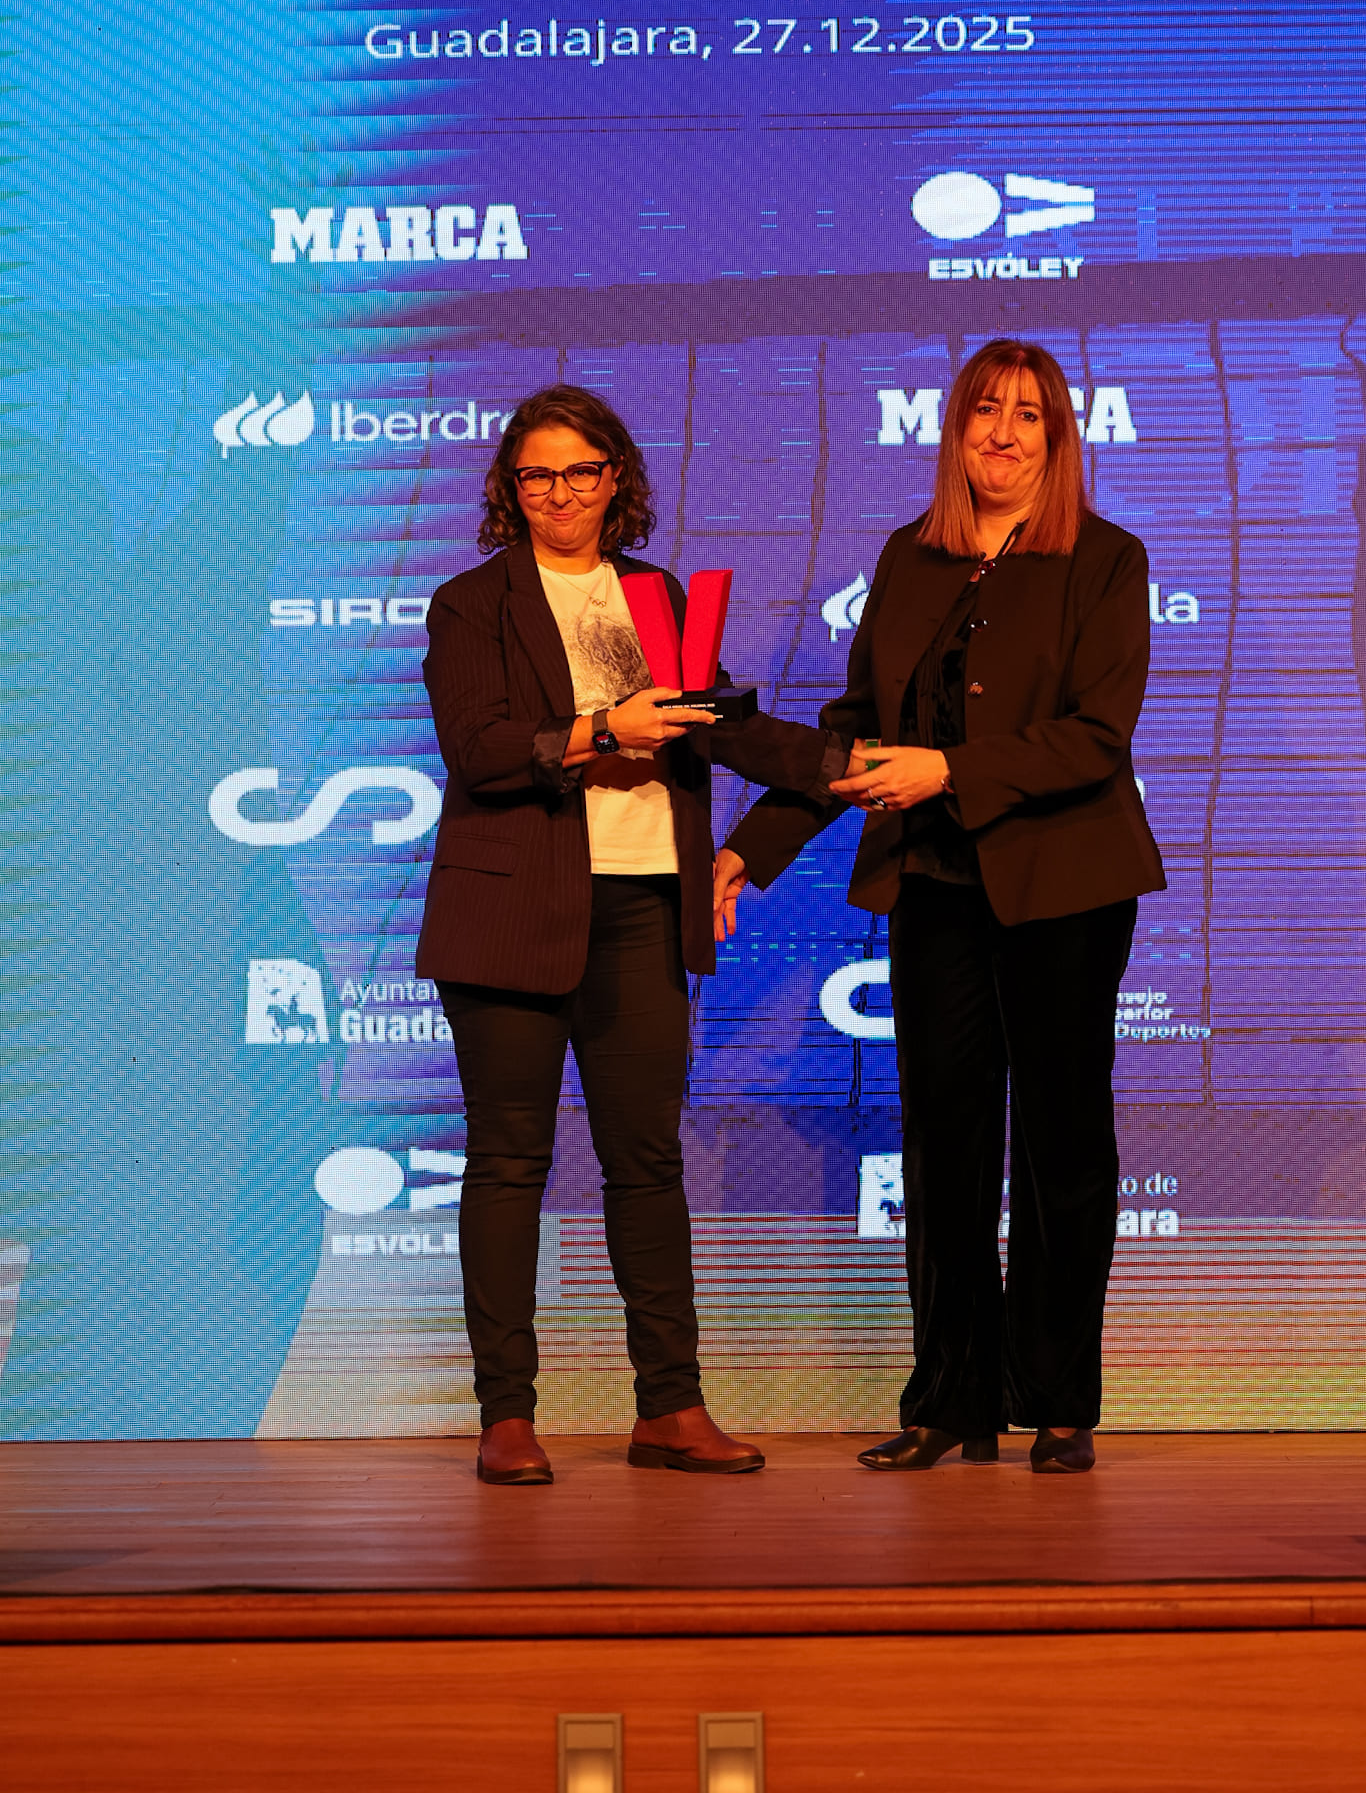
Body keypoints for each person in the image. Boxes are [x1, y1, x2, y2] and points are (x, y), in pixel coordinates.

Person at [713, 339, 1166, 1475]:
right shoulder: (910, 556)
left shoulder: (1107, 558)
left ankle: (1057, 1400)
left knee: (1063, 1142)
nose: (1003, 433)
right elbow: (855, 727)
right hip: (934, 884)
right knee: (944, 1140)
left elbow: (1095, 736)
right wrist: (752, 849)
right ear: (953, 430)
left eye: (1028, 415)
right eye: (983, 412)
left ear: (1058, 439)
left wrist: (951, 771)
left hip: (1065, 885)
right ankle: (950, 1398)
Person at [416, 383, 842, 1485]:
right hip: (509, 912)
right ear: (510, 488)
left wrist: (845, 767)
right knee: (508, 1162)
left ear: (617, 480)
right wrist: (604, 727)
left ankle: (671, 1405)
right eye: (537, 475)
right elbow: (480, 749)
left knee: (646, 1162)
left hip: (645, 904)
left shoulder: (656, 595)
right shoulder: (470, 604)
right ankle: (507, 1415)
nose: (560, 493)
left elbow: (719, 724)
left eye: (581, 471)